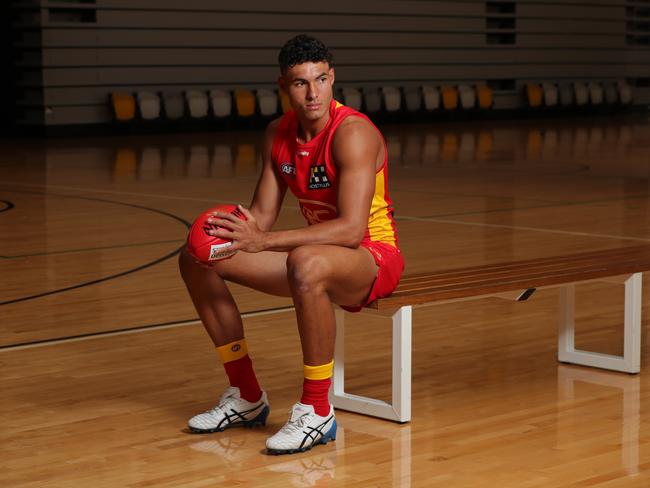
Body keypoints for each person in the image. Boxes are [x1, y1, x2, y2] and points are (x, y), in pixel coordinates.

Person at [179, 34, 404, 455]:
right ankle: (246, 395)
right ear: (284, 85)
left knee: (305, 262)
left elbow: (352, 230)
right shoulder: (275, 135)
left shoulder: (353, 133)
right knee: (196, 258)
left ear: (333, 78)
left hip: (372, 258)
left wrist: (264, 240)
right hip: (314, 259)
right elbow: (261, 215)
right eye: (301, 82)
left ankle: (317, 412)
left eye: (321, 79)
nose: (313, 92)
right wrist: (221, 228)